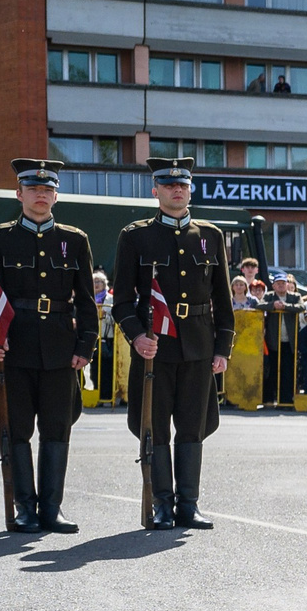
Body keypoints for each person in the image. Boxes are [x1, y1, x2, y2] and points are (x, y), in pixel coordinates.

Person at [0, 159, 99, 532]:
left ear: (56, 195)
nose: (41, 195)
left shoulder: (74, 240)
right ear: (19, 194)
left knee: (57, 428)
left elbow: (86, 301)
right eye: (33, 189)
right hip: (15, 347)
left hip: (60, 347)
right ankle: (25, 508)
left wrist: (86, 345)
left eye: (47, 189)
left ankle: (51, 508)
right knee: (17, 430)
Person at [112, 158, 235, 529]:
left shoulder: (210, 235)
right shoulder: (135, 236)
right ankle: (162, 503)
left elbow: (223, 299)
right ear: (156, 191)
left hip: (198, 344)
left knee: (193, 426)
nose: (176, 190)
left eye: (182, 184)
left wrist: (222, 348)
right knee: (155, 428)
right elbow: (121, 301)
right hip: (155, 348)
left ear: (190, 189)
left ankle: (189, 504)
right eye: (168, 185)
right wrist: (136, 336)